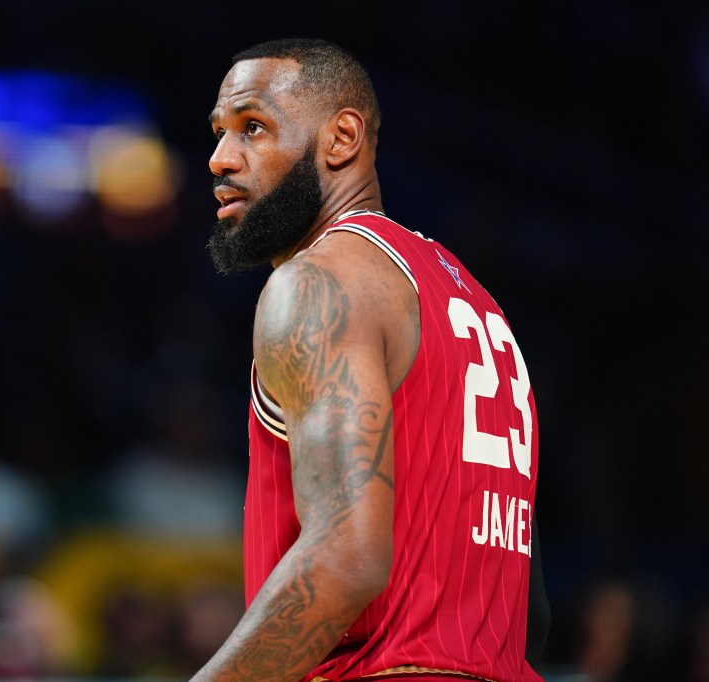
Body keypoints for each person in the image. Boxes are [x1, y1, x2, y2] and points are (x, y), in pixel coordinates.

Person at [193, 38, 550, 682]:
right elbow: (535, 611)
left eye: (253, 128)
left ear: (343, 138)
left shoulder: (318, 283)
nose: (220, 158)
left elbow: (346, 557)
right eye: (219, 132)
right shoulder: (471, 298)